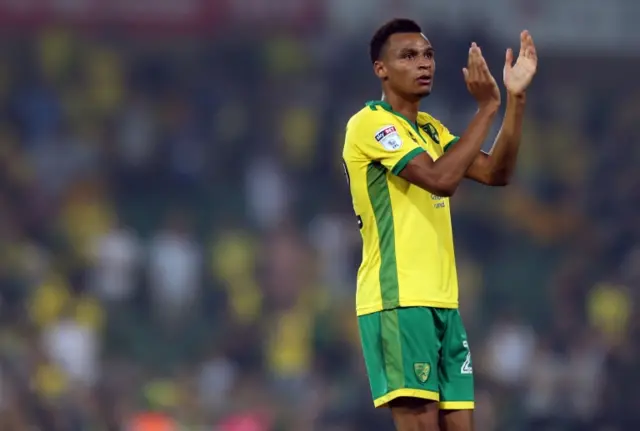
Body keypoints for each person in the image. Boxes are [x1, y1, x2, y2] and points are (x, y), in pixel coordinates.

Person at [341, 19, 537, 431]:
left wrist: (514, 100)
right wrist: (486, 109)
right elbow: (441, 180)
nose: (423, 63)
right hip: (398, 301)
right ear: (381, 69)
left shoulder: (430, 130)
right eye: (408, 56)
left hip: (444, 303)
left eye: (427, 55)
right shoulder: (370, 124)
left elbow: (495, 172)